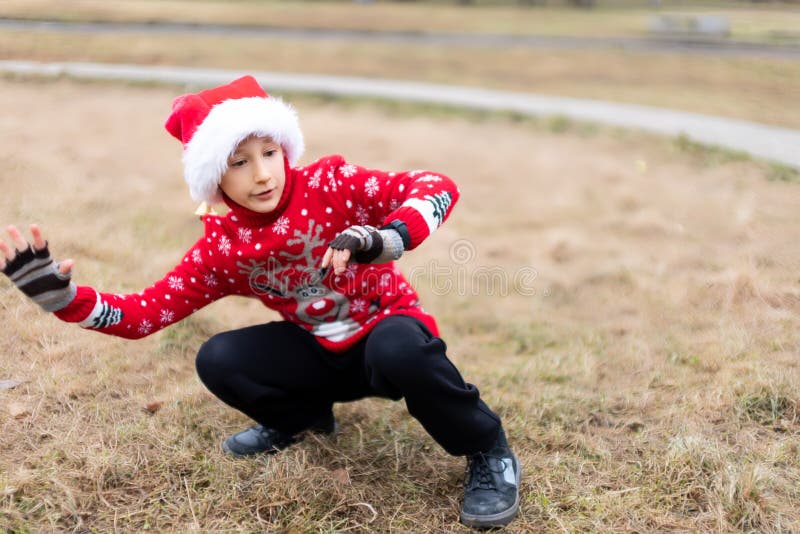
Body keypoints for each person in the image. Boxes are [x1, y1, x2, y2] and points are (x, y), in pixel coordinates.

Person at [0, 75, 520, 528]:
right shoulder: (223, 247)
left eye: (269, 153)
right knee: (218, 358)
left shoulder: (331, 185)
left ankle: (486, 449)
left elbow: (437, 185)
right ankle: (305, 417)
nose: (264, 174)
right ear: (214, 177)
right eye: (240, 163)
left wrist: (383, 238)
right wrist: (64, 300)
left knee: (401, 348)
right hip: (319, 347)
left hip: (388, 334)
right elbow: (143, 314)